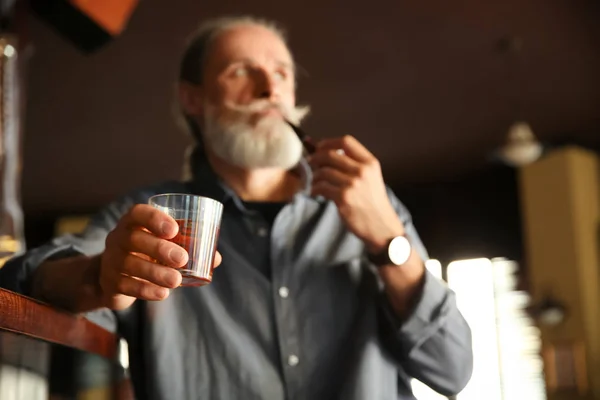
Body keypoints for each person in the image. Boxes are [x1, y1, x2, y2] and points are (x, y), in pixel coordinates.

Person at [1, 15, 473, 400]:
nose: (270, 87)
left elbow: (453, 371)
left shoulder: (374, 205)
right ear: (193, 100)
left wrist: (388, 239)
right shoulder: (148, 215)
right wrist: (99, 276)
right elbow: (21, 281)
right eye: (241, 71)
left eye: (283, 73)